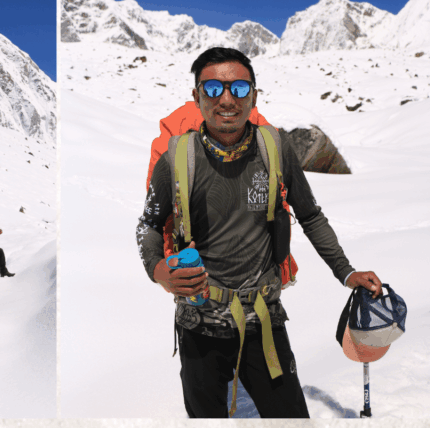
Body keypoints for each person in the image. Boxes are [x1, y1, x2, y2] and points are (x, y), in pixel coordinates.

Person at [136, 47, 382, 418]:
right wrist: (158, 270)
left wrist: (346, 272)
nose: (226, 99)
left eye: (238, 88)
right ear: (197, 97)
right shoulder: (176, 159)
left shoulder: (275, 149)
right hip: (199, 324)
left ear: (254, 95)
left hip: (264, 320)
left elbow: (310, 215)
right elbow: (149, 225)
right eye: (213, 88)